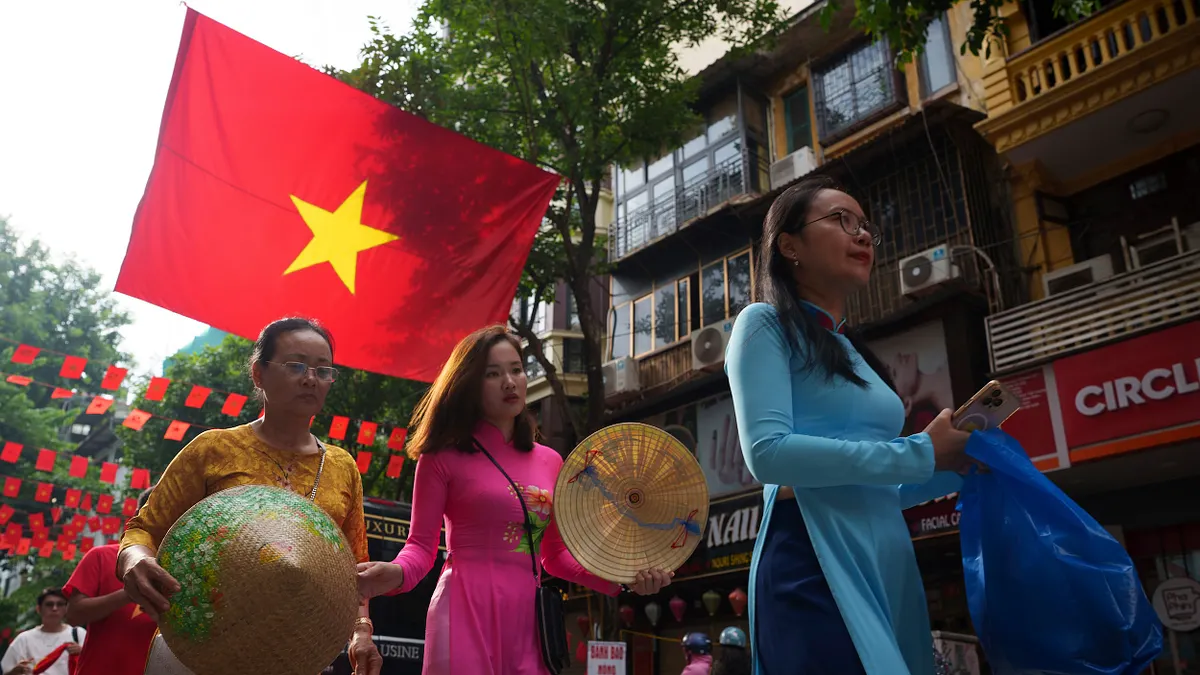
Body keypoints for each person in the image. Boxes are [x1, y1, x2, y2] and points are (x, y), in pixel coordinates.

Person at [725, 176, 973, 675]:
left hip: (885, 560)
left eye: (865, 226)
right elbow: (768, 453)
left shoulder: (853, 350)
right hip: (812, 555)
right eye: (841, 220)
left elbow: (873, 488)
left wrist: (953, 464)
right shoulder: (764, 323)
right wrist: (919, 453)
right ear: (789, 245)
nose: (862, 235)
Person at [356, 325, 672, 674]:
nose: (509, 382)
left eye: (516, 370)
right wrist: (397, 572)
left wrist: (622, 578)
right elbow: (421, 546)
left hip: (529, 619)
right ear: (469, 385)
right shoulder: (441, 457)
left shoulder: (550, 461)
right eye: (493, 374)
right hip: (462, 610)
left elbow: (556, 556)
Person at [116, 317, 383, 675]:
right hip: (198, 648)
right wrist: (134, 559)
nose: (310, 379)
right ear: (259, 374)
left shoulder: (342, 466)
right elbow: (143, 530)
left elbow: (355, 569)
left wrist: (361, 632)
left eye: (323, 370)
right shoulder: (213, 449)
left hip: (295, 652)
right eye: (296, 366)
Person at [62, 487, 158, 675]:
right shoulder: (101, 555)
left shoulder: (187, 568)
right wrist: (130, 592)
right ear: (138, 517)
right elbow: (74, 615)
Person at [0, 588, 84, 675]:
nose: (54, 608)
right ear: (38, 609)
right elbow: (6, 671)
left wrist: (82, 652)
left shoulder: (78, 634)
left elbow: (92, 664)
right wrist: (14, 672)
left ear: (66, 609)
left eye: (60, 604)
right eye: (49, 604)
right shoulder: (24, 639)